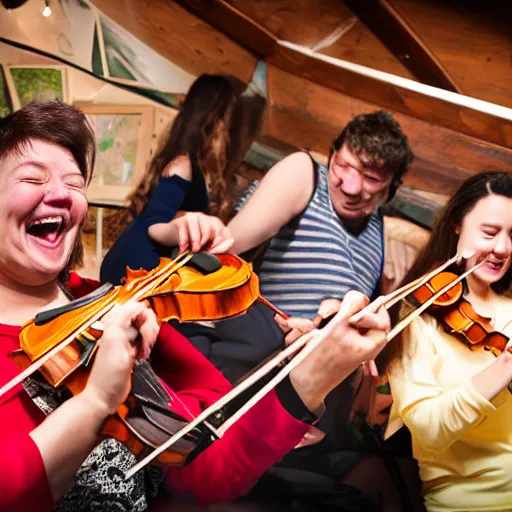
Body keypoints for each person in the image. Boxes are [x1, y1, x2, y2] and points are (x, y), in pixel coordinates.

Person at [0, 100, 391, 512]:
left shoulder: (118, 310)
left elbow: (206, 470)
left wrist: (316, 372)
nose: (61, 194)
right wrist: (96, 401)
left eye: (75, 182)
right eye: (32, 178)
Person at [378, 171, 512, 511]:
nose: (503, 248)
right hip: (472, 503)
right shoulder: (418, 315)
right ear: (456, 224)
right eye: (490, 232)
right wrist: (504, 368)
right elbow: (429, 431)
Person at [228, 110, 414, 318]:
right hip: (256, 332)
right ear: (332, 154)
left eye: (371, 178)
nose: (350, 188)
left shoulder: (380, 236)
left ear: (391, 188)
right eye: (343, 165)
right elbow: (224, 249)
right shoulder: (304, 175)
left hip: (319, 348)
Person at [100, 73, 264, 286]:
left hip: (140, 268)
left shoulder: (189, 165)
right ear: (217, 121)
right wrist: (187, 228)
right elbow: (155, 224)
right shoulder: (183, 164)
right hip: (137, 267)